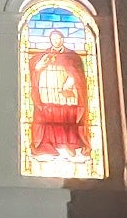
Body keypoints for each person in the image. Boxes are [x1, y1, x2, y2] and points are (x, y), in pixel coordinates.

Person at [28, 28, 91, 161]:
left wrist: (70, 82)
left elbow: (78, 74)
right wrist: (37, 67)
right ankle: (48, 146)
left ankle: (69, 145)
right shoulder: (43, 55)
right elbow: (34, 66)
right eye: (53, 39)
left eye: (58, 38)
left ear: (63, 39)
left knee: (68, 115)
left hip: (66, 91)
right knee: (49, 115)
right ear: (50, 40)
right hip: (48, 91)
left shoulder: (72, 56)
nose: (56, 41)